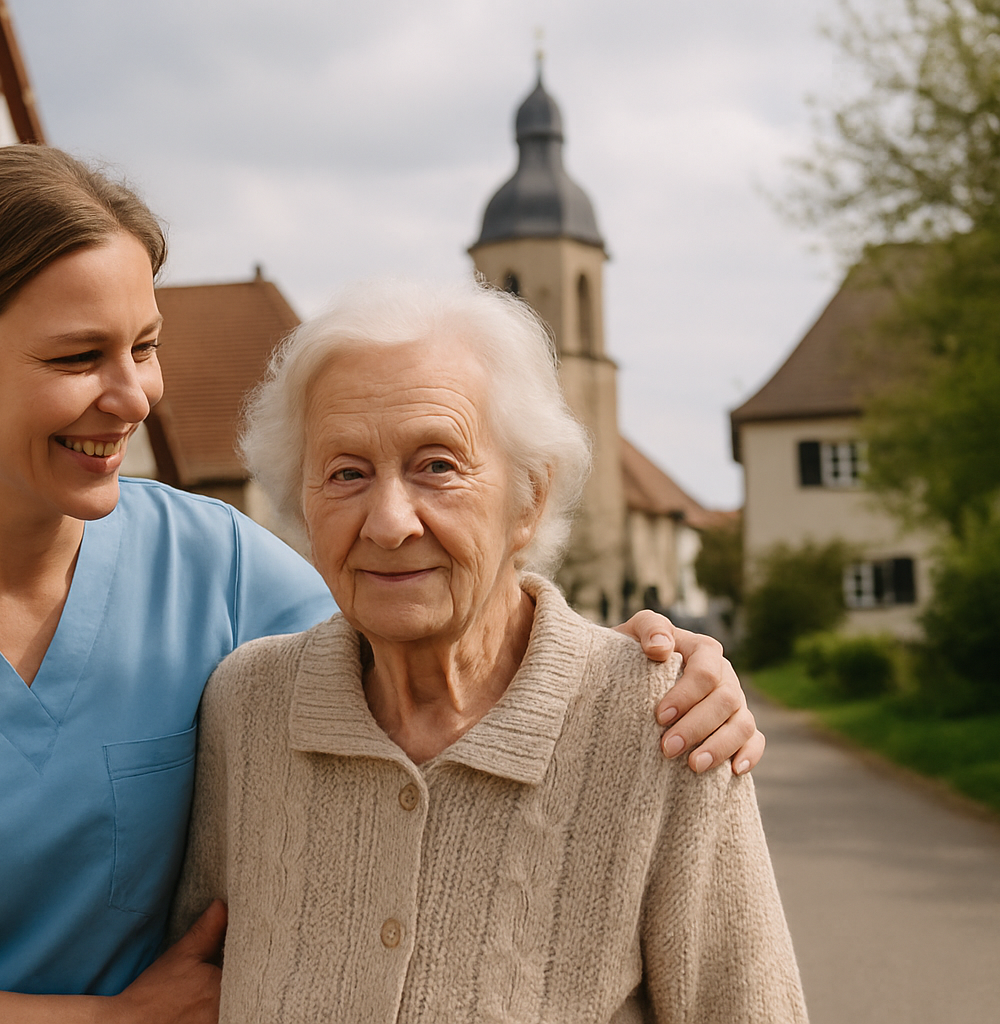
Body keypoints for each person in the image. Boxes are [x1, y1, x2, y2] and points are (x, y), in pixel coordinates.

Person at [0, 147, 765, 1024]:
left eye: (144, 347)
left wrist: (654, 668)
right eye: (78, 358)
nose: (133, 395)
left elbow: (430, 622)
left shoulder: (215, 562)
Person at [171, 279, 806, 1022]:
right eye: (346, 473)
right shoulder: (247, 707)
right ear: (302, 504)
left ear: (528, 497)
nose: (389, 522)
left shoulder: (666, 721)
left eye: (437, 465)